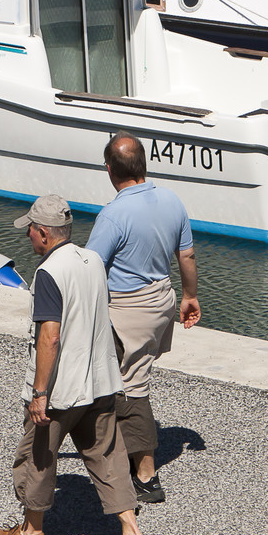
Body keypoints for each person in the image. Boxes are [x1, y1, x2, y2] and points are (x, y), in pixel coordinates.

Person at [0, 195, 151, 535]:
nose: (27, 235)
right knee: (107, 454)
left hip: (63, 388)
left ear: (44, 234)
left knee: (38, 454)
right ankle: (131, 533)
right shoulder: (92, 260)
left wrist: (39, 393)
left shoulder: (49, 273)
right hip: (101, 380)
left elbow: (51, 336)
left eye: (30, 229)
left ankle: (31, 531)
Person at [87, 133, 200, 502]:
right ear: (143, 164)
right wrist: (190, 296)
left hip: (127, 310)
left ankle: (146, 476)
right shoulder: (172, 200)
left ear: (109, 170)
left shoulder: (113, 214)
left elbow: (90, 268)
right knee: (130, 378)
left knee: (132, 387)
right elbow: (187, 256)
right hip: (162, 299)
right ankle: (114, 449)